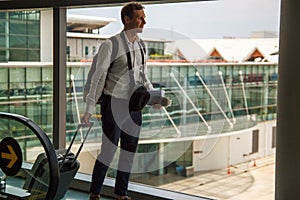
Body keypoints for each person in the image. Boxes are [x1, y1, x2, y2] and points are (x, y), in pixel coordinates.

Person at [82, 2, 157, 200]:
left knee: (129, 152)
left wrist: (154, 97)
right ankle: (94, 192)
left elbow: (143, 76)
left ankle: (120, 194)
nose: (144, 21)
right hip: (113, 104)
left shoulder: (142, 45)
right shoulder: (111, 45)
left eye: (143, 17)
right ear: (127, 19)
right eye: (140, 17)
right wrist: (89, 108)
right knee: (109, 150)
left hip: (134, 107)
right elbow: (98, 78)